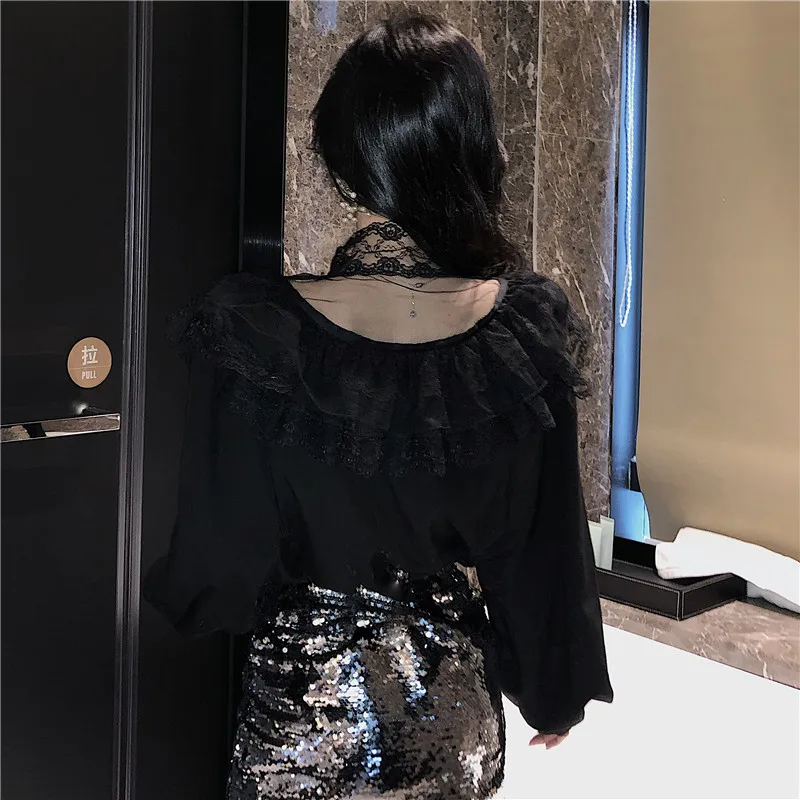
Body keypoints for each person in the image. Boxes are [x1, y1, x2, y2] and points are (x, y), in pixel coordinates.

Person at [144, 13, 613, 800]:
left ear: (341, 160)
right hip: (451, 717)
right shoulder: (524, 334)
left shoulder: (251, 332)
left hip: (304, 719)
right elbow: (542, 552)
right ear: (474, 153)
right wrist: (553, 690)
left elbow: (220, 564)